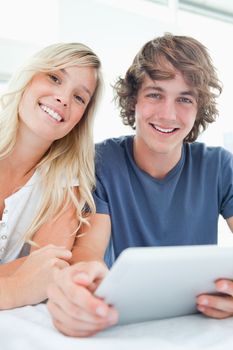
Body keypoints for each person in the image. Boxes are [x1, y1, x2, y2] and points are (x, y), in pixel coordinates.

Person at [47, 33, 233, 337]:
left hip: (198, 325)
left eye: (184, 99)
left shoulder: (220, 166)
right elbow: (88, 254)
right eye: (155, 94)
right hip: (122, 324)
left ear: (199, 108)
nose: (168, 114)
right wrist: (81, 288)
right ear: (134, 99)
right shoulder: (101, 162)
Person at [0, 42, 102, 309]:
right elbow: (29, 283)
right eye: (55, 78)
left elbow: (46, 271)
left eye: (79, 97)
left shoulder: (65, 185)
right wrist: (14, 288)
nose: (63, 98)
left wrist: (29, 280)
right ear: (30, 76)